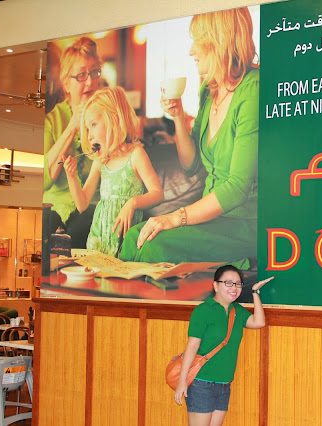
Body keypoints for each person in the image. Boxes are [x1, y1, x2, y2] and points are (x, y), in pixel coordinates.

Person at [119, 8, 259, 265]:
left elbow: (237, 188)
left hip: (245, 223)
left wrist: (175, 218)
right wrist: (177, 117)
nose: (191, 51)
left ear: (219, 41)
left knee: (153, 246)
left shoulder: (252, 90)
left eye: (198, 41)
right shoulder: (209, 90)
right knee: (133, 237)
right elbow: (191, 164)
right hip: (212, 217)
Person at [63, 87, 164, 256]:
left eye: (93, 125)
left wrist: (132, 203)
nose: (89, 135)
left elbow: (158, 194)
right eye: (87, 129)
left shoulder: (136, 155)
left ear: (114, 120)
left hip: (126, 242)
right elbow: (82, 204)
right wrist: (71, 176)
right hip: (98, 242)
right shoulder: (100, 160)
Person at [175, 265, 273, 425]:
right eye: (228, 283)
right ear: (215, 285)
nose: (234, 287)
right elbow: (192, 347)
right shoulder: (203, 311)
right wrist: (182, 381)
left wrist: (255, 292)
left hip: (224, 384)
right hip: (201, 383)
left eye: (238, 283)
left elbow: (259, 322)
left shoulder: (237, 311)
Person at [43, 37, 102, 250]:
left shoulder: (106, 116)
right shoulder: (52, 120)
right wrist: (72, 127)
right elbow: (44, 181)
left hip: (91, 206)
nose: (90, 82)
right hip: (57, 207)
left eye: (94, 73)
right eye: (81, 75)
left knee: (80, 229)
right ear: (66, 83)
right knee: (45, 225)